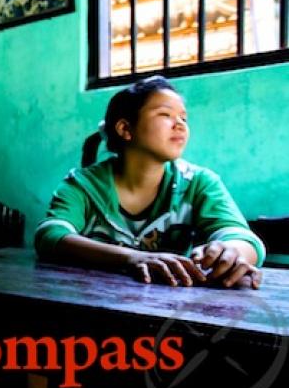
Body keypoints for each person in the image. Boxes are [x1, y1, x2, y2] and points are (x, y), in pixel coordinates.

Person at [35, 76, 265, 289]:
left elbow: (242, 237)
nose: (180, 125)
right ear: (125, 129)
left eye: (183, 118)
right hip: (90, 304)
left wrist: (232, 250)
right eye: (165, 115)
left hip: (171, 313)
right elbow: (50, 235)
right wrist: (132, 257)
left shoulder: (200, 183)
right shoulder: (83, 184)